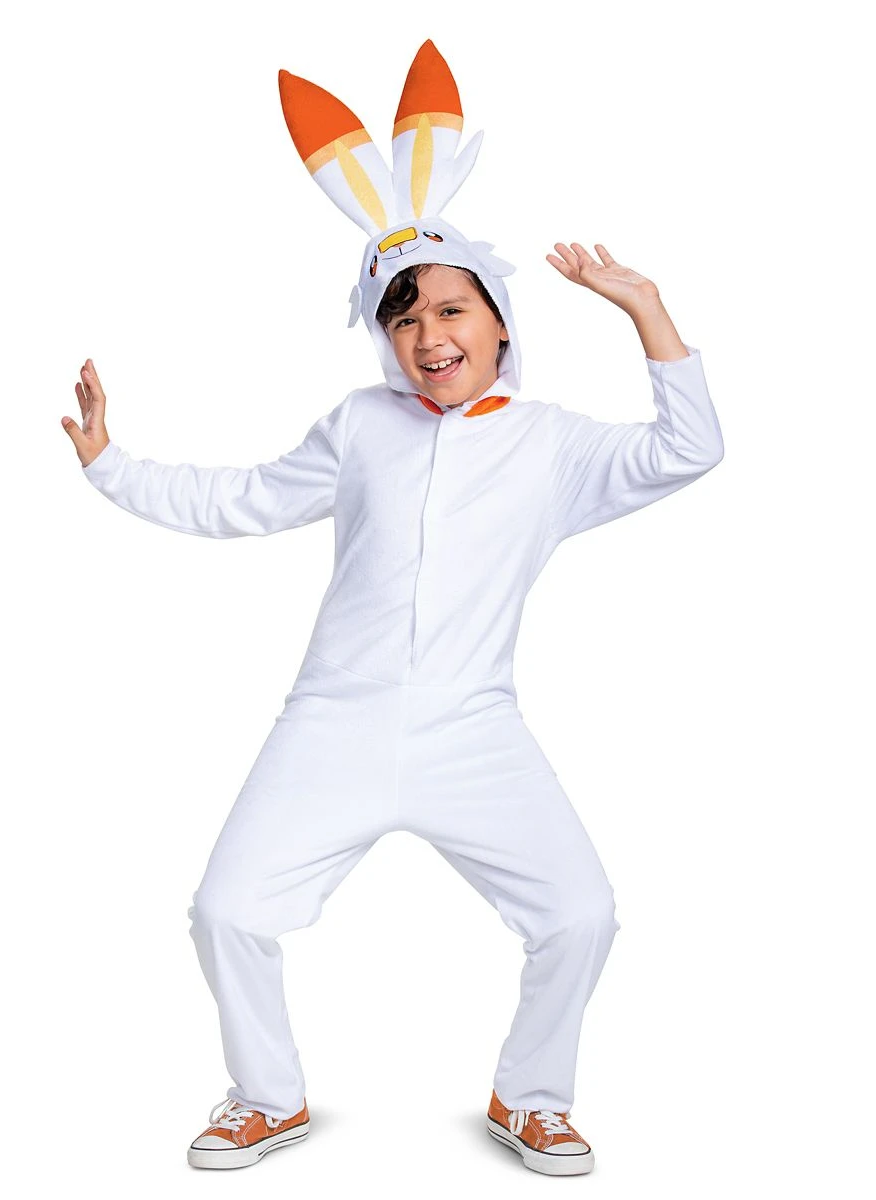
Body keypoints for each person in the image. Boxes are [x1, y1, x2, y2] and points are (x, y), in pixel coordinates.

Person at [61, 41, 724, 1178]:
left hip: (475, 725)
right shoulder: (361, 427)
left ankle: (532, 1099)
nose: (429, 337)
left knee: (580, 914)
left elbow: (688, 448)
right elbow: (240, 499)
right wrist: (111, 464)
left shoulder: (553, 445)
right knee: (227, 911)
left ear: (500, 321)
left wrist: (645, 308)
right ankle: (266, 1097)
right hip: (334, 718)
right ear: (383, 338)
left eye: (452, 309)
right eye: (402, 319)